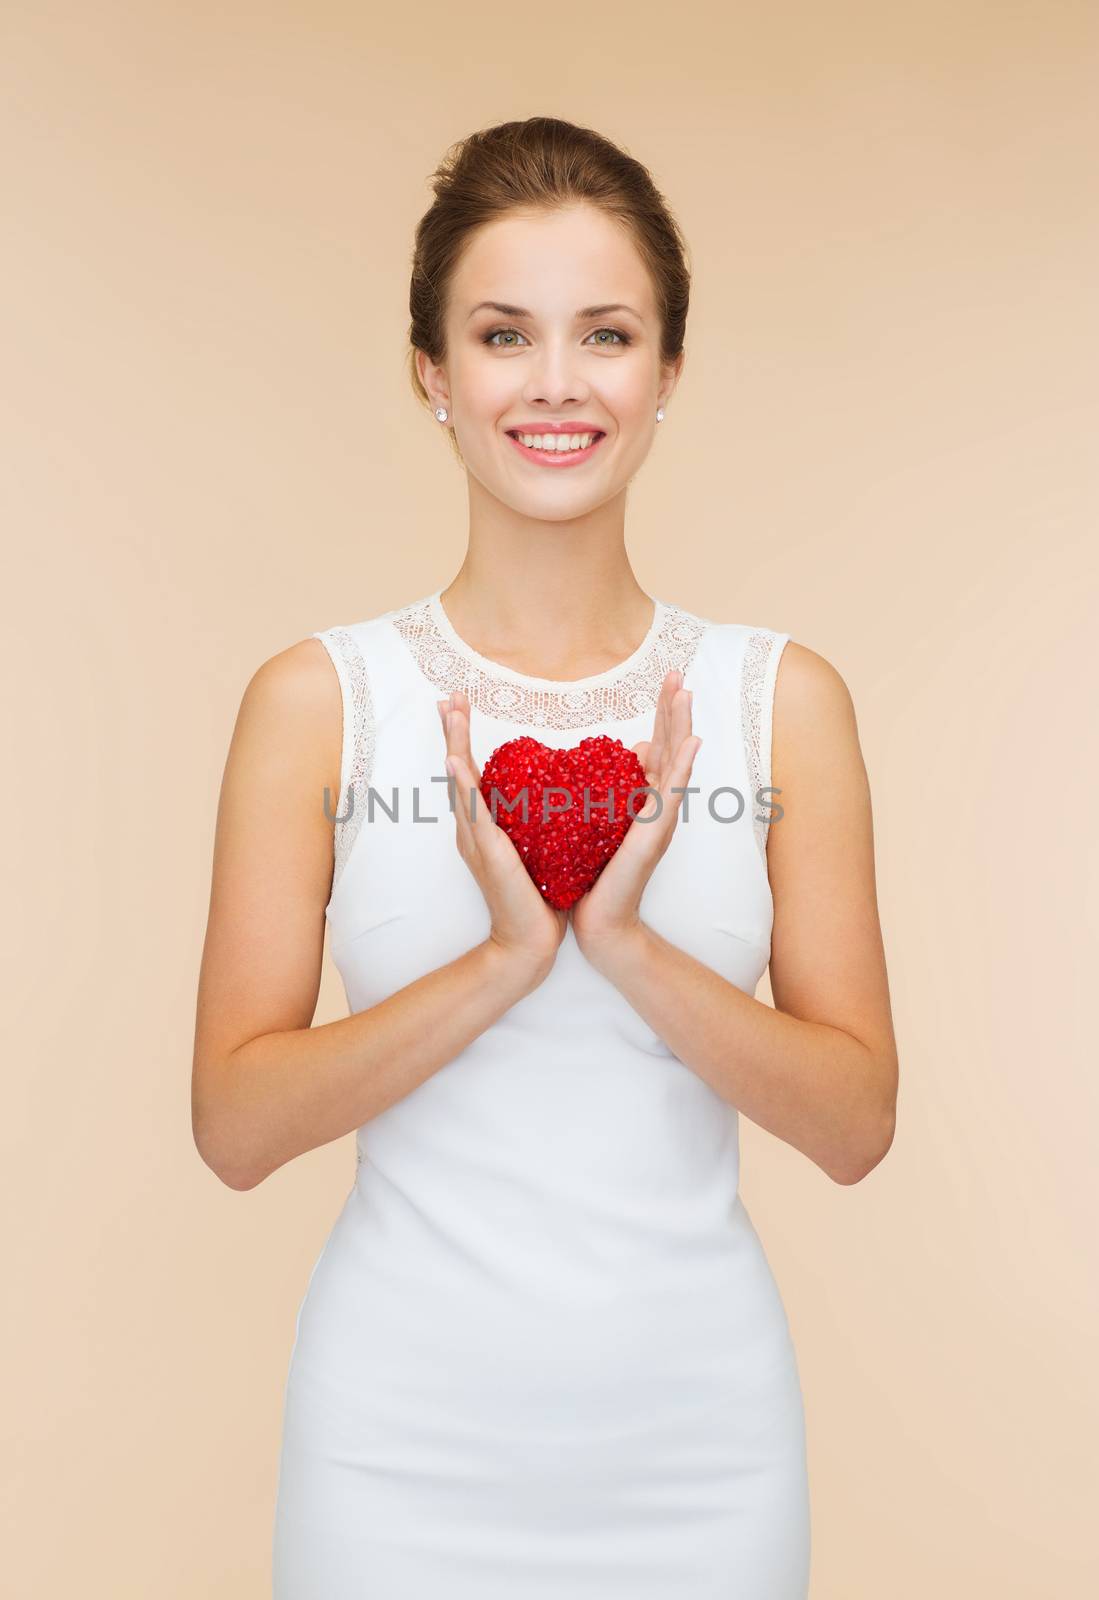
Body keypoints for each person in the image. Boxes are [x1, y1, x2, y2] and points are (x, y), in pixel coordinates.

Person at [192, 115, 898, 1599]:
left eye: (609, 334)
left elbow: (853, 1124)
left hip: (702, 1445)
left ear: (669, 374)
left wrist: (626, 946)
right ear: (432, 375)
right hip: (396, 1448)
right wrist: (507, 958)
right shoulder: (320, 702)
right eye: (504, 335)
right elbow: (236, 1129)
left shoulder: (783, 704)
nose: (558, 384)